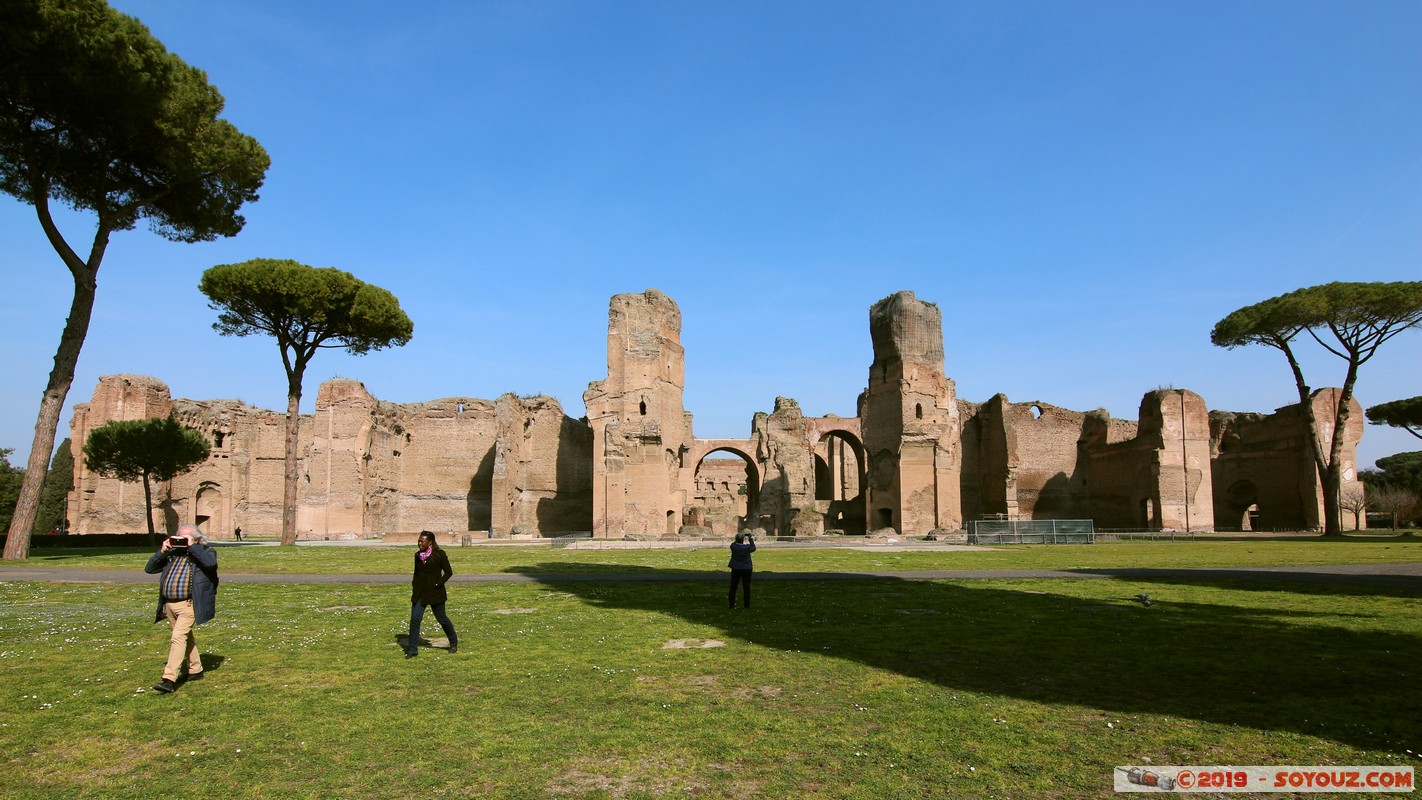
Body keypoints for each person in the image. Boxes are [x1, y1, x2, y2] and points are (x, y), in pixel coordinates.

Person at [144, 524, 218, 693]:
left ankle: (169, 679)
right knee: (185, 638)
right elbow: (149, 569)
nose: (181, 541)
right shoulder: (173, 554)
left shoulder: (206, 552)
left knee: (177, 638)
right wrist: (162, 551)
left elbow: (210, 564)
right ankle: (195, 670)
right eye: (179, 538)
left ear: (196, 539)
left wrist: (193, 547)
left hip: (189, 604)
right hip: (170, 604)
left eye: (185, 538)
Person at [405, 530, 458, 657]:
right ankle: (412, 649)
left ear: (430, 542)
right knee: (415, 619)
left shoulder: (439, 554)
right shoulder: (417, 555)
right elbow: (416, 574)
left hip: (435, 593)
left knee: (442, 618)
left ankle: (453, 642)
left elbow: (448, 572)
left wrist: (438, 584)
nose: (420, 543)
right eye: (419, 541)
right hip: (420, 593)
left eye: (422, 541)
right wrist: (414, 588)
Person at [728, 532, 756, 609]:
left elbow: (734, 543)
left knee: (733, 587)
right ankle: (746, 605)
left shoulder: (733, 546)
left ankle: (731, 604)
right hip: (746, 568)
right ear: (743, 539)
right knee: (746, 587)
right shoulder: (747, 548)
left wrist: (738, 537)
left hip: (736, 568)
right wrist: (750, 539)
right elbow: (753, 548)